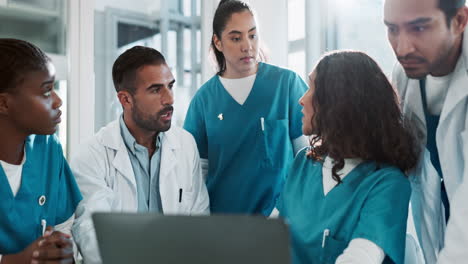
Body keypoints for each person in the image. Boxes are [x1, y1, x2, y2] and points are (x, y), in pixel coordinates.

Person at [71, 46, 210, 264]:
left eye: (170, 86)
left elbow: (199, 224)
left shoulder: (185, 144)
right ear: (125, 99)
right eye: (156, 90)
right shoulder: (91, 155)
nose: (169, 99)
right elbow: (94, 238)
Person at [277, 51, 418, 264]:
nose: (302, 99)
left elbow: (361, 258)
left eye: (313, 88)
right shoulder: (303, 164)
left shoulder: (387, 184)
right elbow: (269, 241)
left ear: (339, 103)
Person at [183, 0, 308, 215]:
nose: (247, 46)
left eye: (252, 35)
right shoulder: (203, 101)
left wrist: (287, 208)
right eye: (235, 38)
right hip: (224, 226)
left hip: (280, 221)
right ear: (218, 42)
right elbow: (197, 176)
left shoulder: (286, 84)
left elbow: (307, 158)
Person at [384, 0, 468, 262]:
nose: (402, 47)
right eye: (392, 29)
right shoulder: (404, 76)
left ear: (459, 21)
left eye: (419, 28)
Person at [0, 39, 82, 264]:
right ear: (4, 104)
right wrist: (17, 261)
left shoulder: (48, 148)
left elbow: (65, 228)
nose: (58, 101)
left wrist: (62, 251)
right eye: (47, 91)